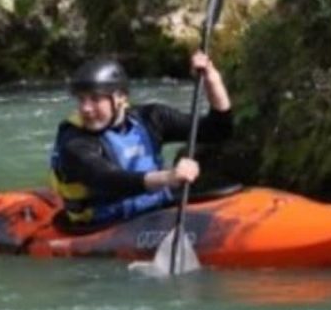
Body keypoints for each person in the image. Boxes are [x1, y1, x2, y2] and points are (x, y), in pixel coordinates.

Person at [49, 52, 232, 227]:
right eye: (81, 100)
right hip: (103, 224)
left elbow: (218, 130)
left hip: (154, 210)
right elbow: (109, 179)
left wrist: (211, 79)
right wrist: (168, 177)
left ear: (121, 97)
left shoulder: (151, 118)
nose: (86, 108)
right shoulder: (73, 141)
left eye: (95, 99)